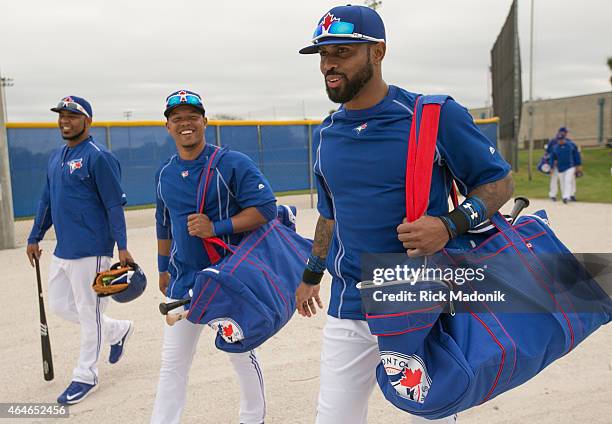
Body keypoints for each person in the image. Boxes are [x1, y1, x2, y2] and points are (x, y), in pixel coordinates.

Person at [295, 5, 514, 424]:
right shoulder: (325, 135)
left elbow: (499, 183)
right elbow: (330, 215)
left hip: (414, 294)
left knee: (430, 416)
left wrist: (450, 225)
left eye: (341, 51)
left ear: (377, 52)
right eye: (323, 55)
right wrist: (311, 275)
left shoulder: (431, 116)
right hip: (350, 300)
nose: (329, 65)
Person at [151, 89, 276, 424]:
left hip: (226, 280)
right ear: (168, 127)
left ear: (204, 121)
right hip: (183, 281)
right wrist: (163, 269)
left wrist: (216, 227)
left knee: (240, 356)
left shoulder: (232, 163)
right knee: (173, 363)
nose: (185, 123)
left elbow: (266, 209)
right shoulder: (165, 173)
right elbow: (163, 223)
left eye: (192, 117)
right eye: (177, 118)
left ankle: (253, 419)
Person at [26, 96, 135, 405]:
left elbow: (114, 205)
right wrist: (34, 237)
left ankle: (86, 375)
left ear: (87, 121)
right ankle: (117, 330)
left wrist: (122, 247)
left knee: (90, 313)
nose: (65, 120)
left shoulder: (99, 157)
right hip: (64, 249)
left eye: (72, 116)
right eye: (61, 115)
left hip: (93, 249)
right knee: (61, 306)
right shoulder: (55, 156)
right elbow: (46, 202)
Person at [547, 127, 582, 202]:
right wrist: (551, 165)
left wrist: (577, 165)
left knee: (568, 180)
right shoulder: (553, 143)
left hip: (569, 165)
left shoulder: (569, 143)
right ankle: (554, 195)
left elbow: (575, 154)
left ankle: (568, 196)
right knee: (557, 180)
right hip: (557, 166)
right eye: (565, 132)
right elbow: (549, 154)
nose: (566, 134)